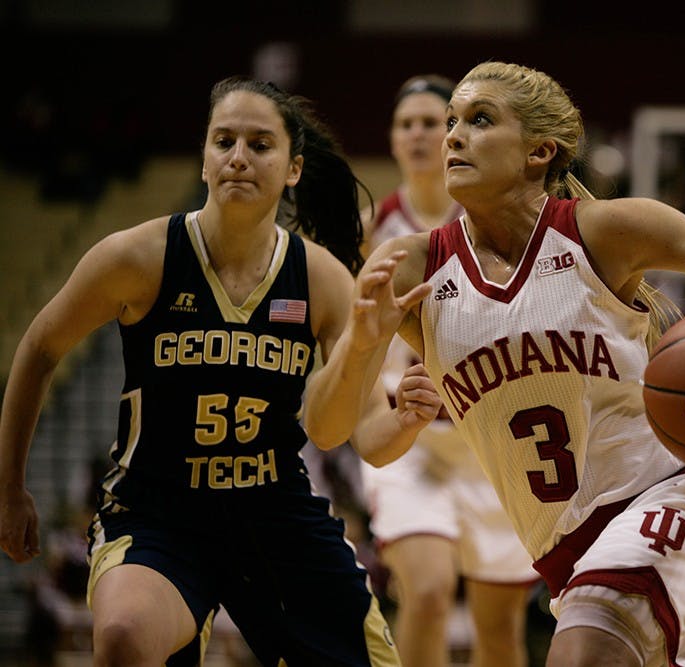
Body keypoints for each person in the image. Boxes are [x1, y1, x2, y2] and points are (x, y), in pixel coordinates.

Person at [304, 61, 685, 667]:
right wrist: (367, 356)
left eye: (478, 120)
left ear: (538, 152)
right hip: (568, 553)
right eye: (452, 122)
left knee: (581, 653)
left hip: (670, 497)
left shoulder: (603, 232)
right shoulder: (411, 265)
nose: (453, 136)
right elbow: (344, 432)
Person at [0, 75, 440, 666]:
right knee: (125, 637)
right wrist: (9, 489)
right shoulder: (139, 256)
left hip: (275, 514)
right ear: (203, 161)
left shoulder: (321, 279)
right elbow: (40, 346)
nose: (238, 157)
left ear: (293, 169)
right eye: (223, 141)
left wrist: (407, 422)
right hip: (158, 513)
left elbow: (359, 435)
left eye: (260, 145)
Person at [360, 74, 538, 667]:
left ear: (455, 136)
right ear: (391, 140)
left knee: (499, 630)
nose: (418, 134)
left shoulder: (501, 227)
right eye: (405, 123)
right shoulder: (368, 233)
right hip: (412, 440)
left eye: (431, 123)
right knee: (430, 593)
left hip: (494, 443)